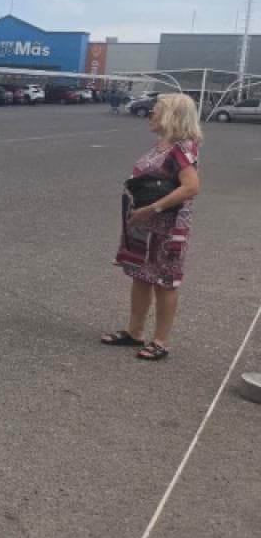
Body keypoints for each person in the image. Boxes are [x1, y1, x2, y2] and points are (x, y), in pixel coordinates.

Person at [102, 93, 202, 360]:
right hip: (146, 226)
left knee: (165, 282)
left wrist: (152, 208)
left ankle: (161, 341)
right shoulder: (164, 145)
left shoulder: (182, 147)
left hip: (167, 226)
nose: (151, 114)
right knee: (141, 276)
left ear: (172, 115)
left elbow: (191, 187)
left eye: (156, 110)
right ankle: (134, 332)